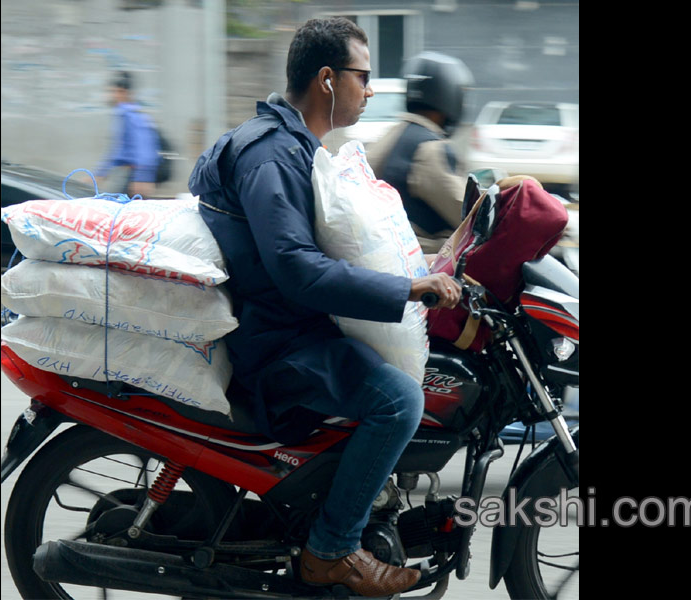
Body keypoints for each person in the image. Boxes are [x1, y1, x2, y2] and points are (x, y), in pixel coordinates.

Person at [187, 17, 461, 598]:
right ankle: (331, 550)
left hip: (288, 325)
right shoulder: (273, 156)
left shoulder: (293, 145)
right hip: (276, 344)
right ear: (328, 80)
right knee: (399, 399)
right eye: (364, 77)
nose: (370, 90)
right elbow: (296, 268)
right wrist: (406, 291)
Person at [366, 51, 474, 256]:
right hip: (422, 265)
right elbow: (467, 214)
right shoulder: (431, 148)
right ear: (450, 95)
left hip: (385, 255)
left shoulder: (388, 137)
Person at [95, 71, 160, 197]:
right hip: (128, 174)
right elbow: (116, 151)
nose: (112, 95)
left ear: (124, 93)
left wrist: (142, 177)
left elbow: (145, 146)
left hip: (135, 176)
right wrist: (100, 173)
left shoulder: (131, 115)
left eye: (114, 91)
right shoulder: (123, 113)